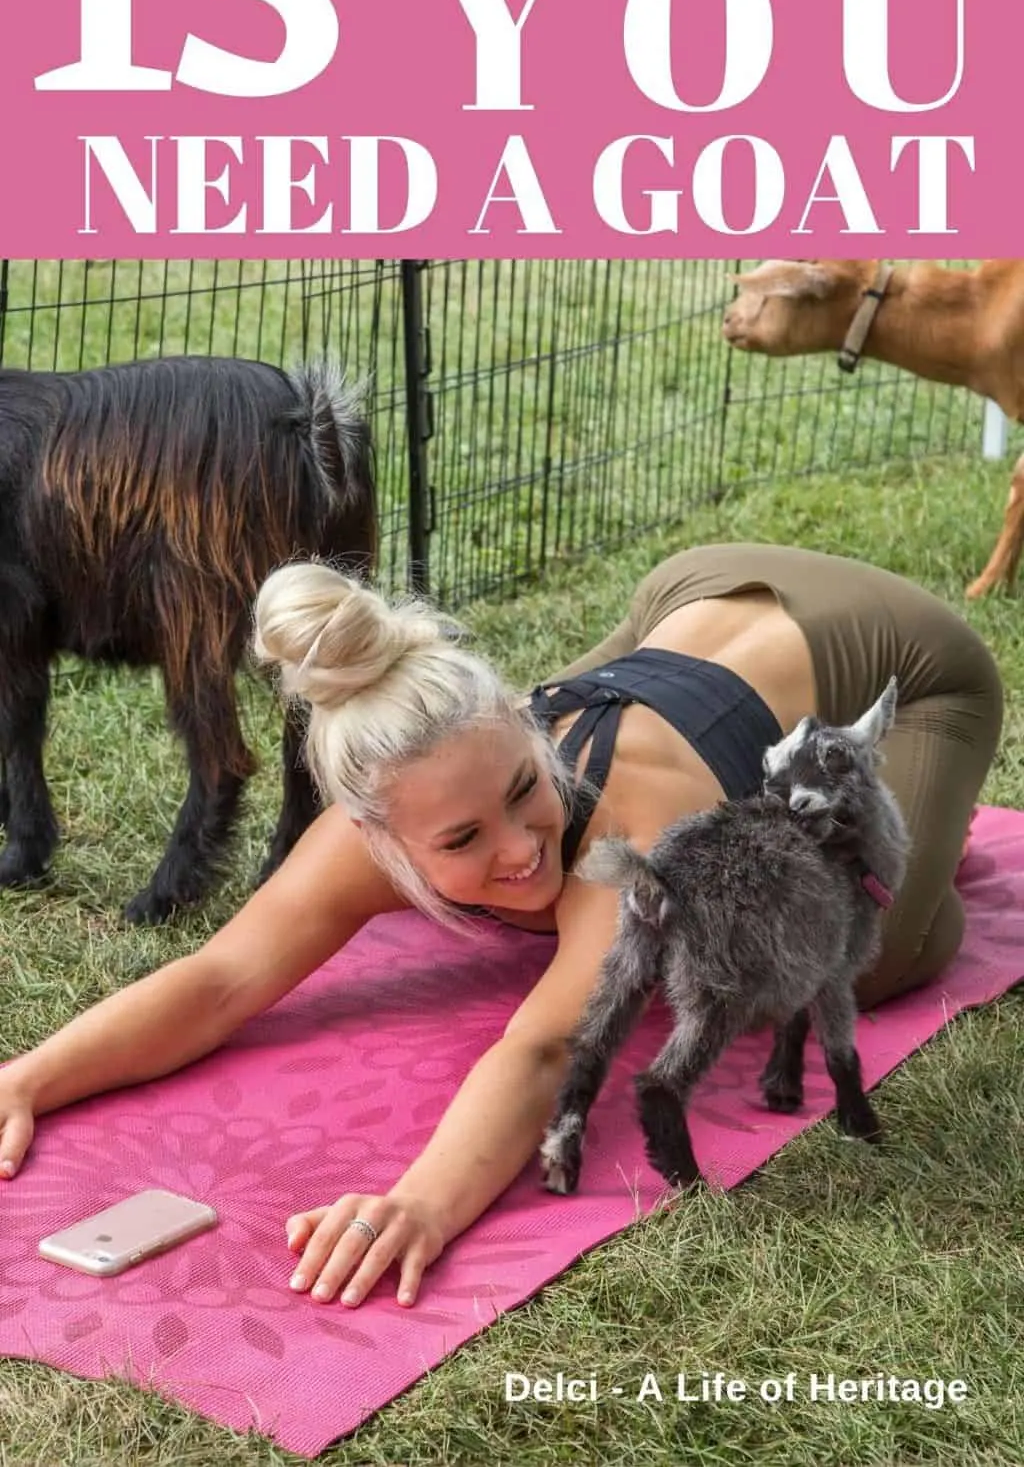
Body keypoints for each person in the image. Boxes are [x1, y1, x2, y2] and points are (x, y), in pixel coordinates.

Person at [0, 544, 1003, 1312]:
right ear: (379, 843)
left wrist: (422, 1202)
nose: (521, 847)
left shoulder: (628, 831)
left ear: (534, 743)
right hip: (687, 596)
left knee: (860, 964)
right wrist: (24, 1078)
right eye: (464, 835)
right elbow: (221, 979)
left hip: (893, 650)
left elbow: (543, 1046)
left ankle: (899, 820)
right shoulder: (374, 824)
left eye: (528, 791)